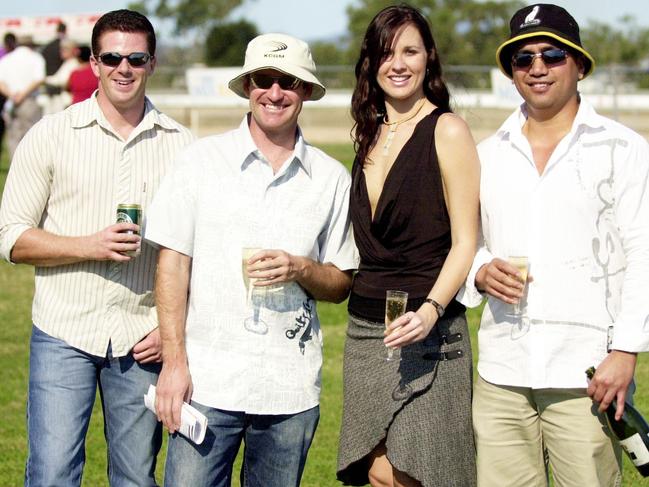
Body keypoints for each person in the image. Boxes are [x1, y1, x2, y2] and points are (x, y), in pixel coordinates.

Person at [144, 33, 358, 487]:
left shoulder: (330, 178)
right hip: (207, 382)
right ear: (247, 87)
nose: (275, 93)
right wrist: (174, 363)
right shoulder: (201, 160)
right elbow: (172, 263)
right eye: (264, 79)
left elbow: (341, 283)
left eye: (289, 81)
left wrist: (301, 269)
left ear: (305, 91)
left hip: (289, 389)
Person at [458, 4, 649, 486]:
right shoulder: (486, 154)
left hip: (587, 372)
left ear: (579, 64)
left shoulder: (624, 149)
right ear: (511, 72)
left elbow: (644, 251)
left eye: (552, 55)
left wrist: (625, 351)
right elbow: (464, 244)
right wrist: (480, 269)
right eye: (523, 59)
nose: (537, 67)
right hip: (503, 371)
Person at [0, 9, 194, 486]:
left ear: (152, 62)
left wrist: (173, 331)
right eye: (111, 57)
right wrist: (90, 244)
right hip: (65, 330)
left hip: (140, 336)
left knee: (134, 477)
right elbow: (11, 237)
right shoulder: (50, 134)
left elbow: (200, 252)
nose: (123, 68)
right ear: (94, 61)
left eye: (136, 57)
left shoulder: (183, 145)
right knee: (51, 474)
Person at [336, 5, 480, 487]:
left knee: (418, 475)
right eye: (385, 52)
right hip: (365, 333)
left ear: (428, 59)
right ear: (370, 63)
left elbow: (466, 240)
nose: (397, 63)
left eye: (410, 51)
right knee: (376, 472)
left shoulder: (448, 130)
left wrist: (432, 309)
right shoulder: (369, 132)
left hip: (431, 334)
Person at [0, 34, 45, 160]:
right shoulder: (36, 58)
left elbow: (1, 82)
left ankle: (15, 168)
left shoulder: (7, 59)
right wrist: (23, 94)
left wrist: (12, 95)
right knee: (32, 137)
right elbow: (39, 79)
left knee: (13, 136)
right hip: (29, 100)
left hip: (11, 101)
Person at [43, 38, 80, 112]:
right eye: (61, 49)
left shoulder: (73, 64)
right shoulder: (67, 63)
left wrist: (44, 80)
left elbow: (62, 81)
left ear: (74, 50)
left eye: (65, 49)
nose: (62, 51)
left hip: (67, 102)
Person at [40, 21, 66, 113]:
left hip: (48, 80)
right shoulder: (64, 46)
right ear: (66, 31)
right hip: (60, 84)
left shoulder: (48, 46)